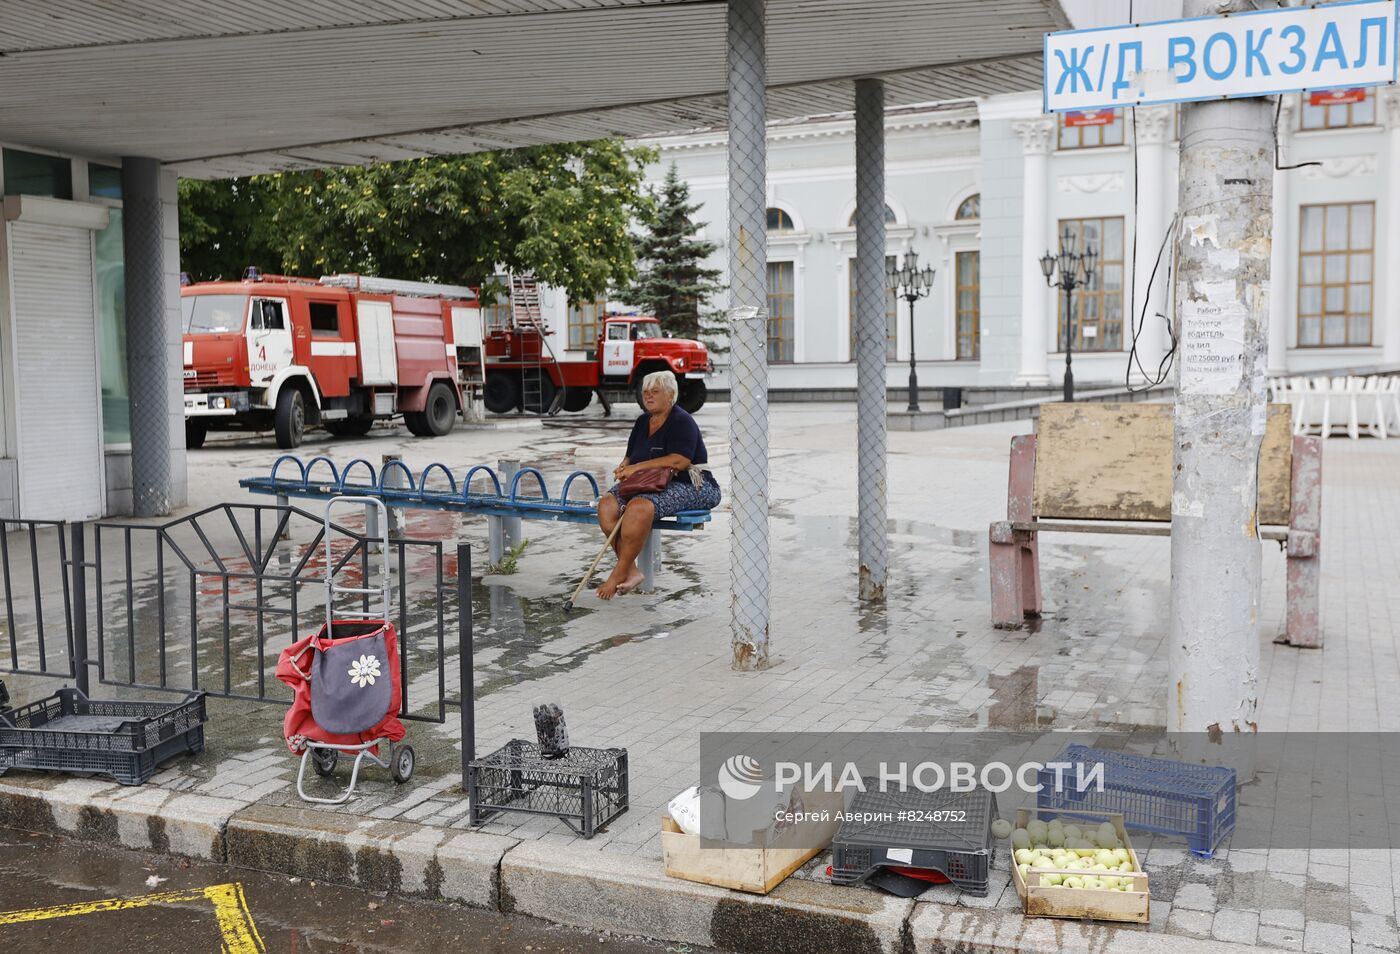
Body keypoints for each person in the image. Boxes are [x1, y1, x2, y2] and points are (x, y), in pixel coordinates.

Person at [596, 370, 720, 600]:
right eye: (645, 392)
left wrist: (636, 469)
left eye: (655, 391)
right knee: (606, 504)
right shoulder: (643, 421)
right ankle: (631, 571)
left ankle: (617, 573)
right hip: (646, 481)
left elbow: (679, 461)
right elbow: (630, 456)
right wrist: (624, 468)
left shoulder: (682, 420)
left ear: (670, 394)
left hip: (691, 484)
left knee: (640, 507)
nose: (648, 396)